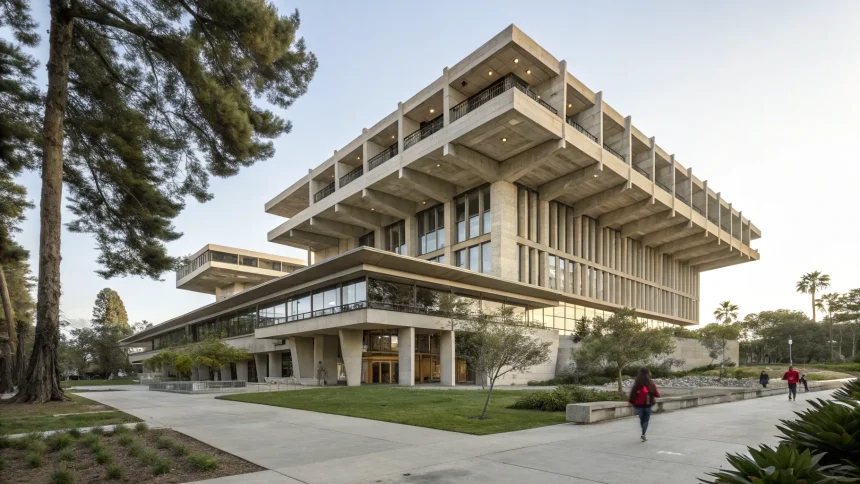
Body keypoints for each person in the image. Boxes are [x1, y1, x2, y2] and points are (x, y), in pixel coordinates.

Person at [628, 367, 660, 442]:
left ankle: (643, 432)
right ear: (648, 373)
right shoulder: (651, 384)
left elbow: (632, 394)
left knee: (642, 420)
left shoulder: (637, 384)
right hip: (648, 405)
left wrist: (631, 401)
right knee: (646, 420)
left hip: (639, 405)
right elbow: (657, 394)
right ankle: (643, 434)